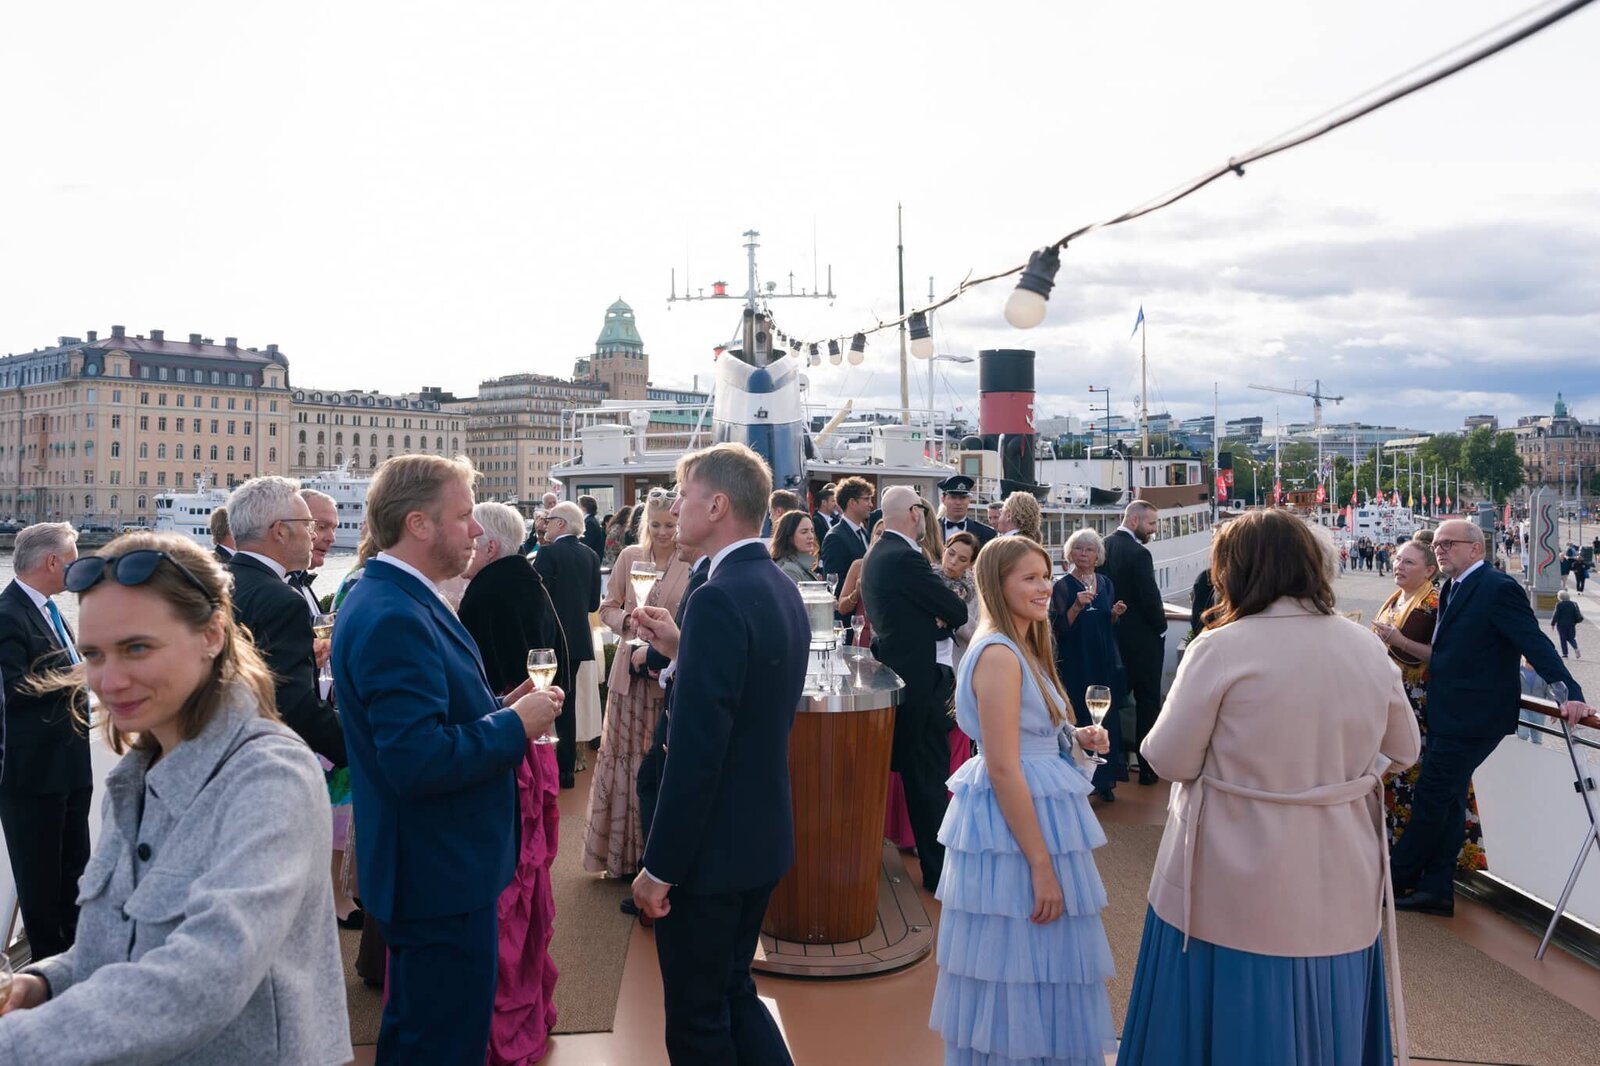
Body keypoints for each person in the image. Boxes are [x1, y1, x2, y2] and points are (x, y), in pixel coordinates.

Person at [0, 532, 352, 1064]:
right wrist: (45, 983)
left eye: (137, 647)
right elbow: (127, 940)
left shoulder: (267, 777)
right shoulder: (139, 772)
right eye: (93, 653)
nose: (108, 680)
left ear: (212, 634)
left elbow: (206, 976)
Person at [1117, 510, 1421, 1065]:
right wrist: (1334, 776)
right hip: (1338, 865)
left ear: (1237, 570)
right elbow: (1405, 751)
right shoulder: (1365, 647)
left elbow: (1165, 757)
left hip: (1233, 872)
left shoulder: (1221, 646)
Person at [334, 455, 565, 1064]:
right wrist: (515, 726)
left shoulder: (397, 597)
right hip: (439, 874)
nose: (476, 532)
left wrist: (500, 705)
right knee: (442, 1042)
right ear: (419, 524)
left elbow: (429, 720)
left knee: (418, 1031)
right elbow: (417, 760)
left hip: (431, 868)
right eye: (463, 517)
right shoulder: (395, 614)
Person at [630, 442, 808, 1066]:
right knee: (734, 992)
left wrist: (660, 868)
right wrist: (686, 652)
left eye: (682, 496)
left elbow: (697, 751)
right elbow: (750, 697)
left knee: (699, 1019)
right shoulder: (778, 586)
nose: (675, 509)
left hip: (708, 855)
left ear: (717, 503)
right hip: (760, 838)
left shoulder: (716, 596)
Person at [930, 535, 1117, 1066]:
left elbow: (1026, 740)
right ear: (998, 584)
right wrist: (1041, 865)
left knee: (1041, 964)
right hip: (1018, 831)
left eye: (1044, 575)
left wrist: (1075, 737)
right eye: (1028, 578)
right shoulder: (998, 655)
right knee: (1018, 961)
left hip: (1036, 813)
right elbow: (1003, 764)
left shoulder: (1022, 648)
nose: (1043, 587)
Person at [1390, 519, 1591, 917]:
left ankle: (1392, 880)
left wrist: (1572, 692)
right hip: (1450, 711)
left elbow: (1533, 641)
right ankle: (1436, 890)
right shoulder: (1452, 587)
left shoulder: (1498, 588)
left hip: (1475, 716)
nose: (1440, 550)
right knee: (1446, 801)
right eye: (1438, 544)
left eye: (1449, 544)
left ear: (1476, 549)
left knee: (1432, 795)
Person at [456, 501, 563, 1066]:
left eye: (475, 539)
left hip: (503, 750)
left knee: (511, 890)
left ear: (490, 546)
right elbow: (558, 655)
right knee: (528, 880)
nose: (470, 546)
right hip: (529, 739)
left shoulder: (488, 592)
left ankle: (503, 1012)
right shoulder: (530, 580)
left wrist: (505, 711)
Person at [861, 486, 968, 891]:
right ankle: (939, 873)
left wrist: (930, 613)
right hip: (923, 685)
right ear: (913, 513)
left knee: (921, 779)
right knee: (929, 782)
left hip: (901, 677)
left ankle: (936, 867)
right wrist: (936, 614)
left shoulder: (876, 554)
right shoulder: (905, 557)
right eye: (923, 510)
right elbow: (956, 610)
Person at [586, 492, 688, 878]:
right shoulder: (630, 557)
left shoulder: (690, 561)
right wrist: (630, 622)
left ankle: (656, 861)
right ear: (647, 524)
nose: (664, 532)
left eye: (670, 525)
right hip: (629, 676)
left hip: (667, 677)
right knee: (625, 763)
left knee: (657, 767)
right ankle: (623, 858)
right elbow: (607, 607)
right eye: (657, 525)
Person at [0, 523, 88, 962]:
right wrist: (78, 676)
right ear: (52, 562)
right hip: (33, 776)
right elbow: (12, 691)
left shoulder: (50, 611)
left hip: (70, 767)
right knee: (39, 883)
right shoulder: (7, 614)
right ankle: (48, 974)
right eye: (72, 560)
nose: (75, 570)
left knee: (74, 874)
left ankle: (76, 961)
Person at [1373, 540, 1488, 876]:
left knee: (1423, 781)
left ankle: (1427, 864)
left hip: (1424, 705)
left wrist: (1399, 641)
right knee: (1395, 777)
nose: (1399, 566)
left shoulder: (1437, 601)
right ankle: (1395, 852)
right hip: (1396, 699)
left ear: (1429, 570)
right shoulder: (1396, 597)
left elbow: (1447, 656)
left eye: (1408, 562)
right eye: (1397, 560)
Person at [224, 477, 347, 768]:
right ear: (280, 531)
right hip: (267, 765)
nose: (314, 535)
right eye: (309, 524)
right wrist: (358, 744)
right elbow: (294, 706)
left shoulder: (215, 583)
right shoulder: (283, 599)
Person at [1051, 528, 1130, 802]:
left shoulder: (1106, 583)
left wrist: (1114, 615)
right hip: (1077, 659)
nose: (1083, 554)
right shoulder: (1062, 587)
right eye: (1078, 549)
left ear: (1098, 555)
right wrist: (1075, 606)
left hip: (1103, 657)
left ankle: (1106, 779)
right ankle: (1083, 779)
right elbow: (1058, 629)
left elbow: (1104, 622)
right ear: (1069, 554)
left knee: (1106, 715)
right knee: (1081, 715)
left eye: (1089, 550)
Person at [532, 500, 603, 789]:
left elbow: (538, 599)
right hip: (579, 639)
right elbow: (593, 604)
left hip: (550, 640)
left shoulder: (548, 554)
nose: (544, 524)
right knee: (569, 700)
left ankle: (547, 767)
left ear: (560, 524)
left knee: (547, 699)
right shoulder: (591, 556)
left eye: (548, 519)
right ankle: (567, 770)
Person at [1100, 500, 1167, 786]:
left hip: (1110, 638)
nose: (1153, 530)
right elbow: (1149, 596)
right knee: (1148, 702)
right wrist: (1162, 629)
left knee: (1110, 704)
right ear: (1135, 521)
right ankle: (1148, 768)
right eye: (1151, 524)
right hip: (1142, 642)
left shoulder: (1102, 546)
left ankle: (1112, 765)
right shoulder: (1140, 554)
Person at [935, 474, 996, 548]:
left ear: (969, 500)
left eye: (963, 498)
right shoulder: (932, 530)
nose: (958, 503)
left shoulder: (986, 534)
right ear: (943, 499)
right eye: (953, 497)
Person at [770, 509, 820, 584]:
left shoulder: (801, 565)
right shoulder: (789, 570)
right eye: (804, 532)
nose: (811, 536)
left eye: (812, 531)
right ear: (789, 536)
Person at [1553, 589, 1584, 658]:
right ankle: (1576, 648)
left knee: (1563, 639)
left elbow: (1556, 615)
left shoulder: (1559, 605)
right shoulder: (1573, 604)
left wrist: (1553, 623)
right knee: (1571, 638)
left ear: (1560, 597)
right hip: (1571, 624)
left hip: (1561, 625)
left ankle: (1565, 653)